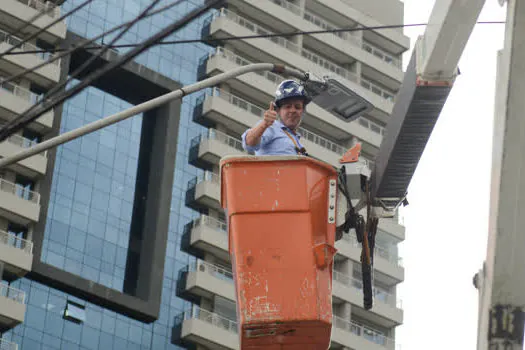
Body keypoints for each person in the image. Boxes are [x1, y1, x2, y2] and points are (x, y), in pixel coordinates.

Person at [242, 80, 311, 156]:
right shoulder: (272, 127)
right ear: (278, 110)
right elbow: (249, 143)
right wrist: (264, 124)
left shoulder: (298, 143)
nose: (293, 110)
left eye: (297, 107)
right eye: (287, 106)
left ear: (302, 112)